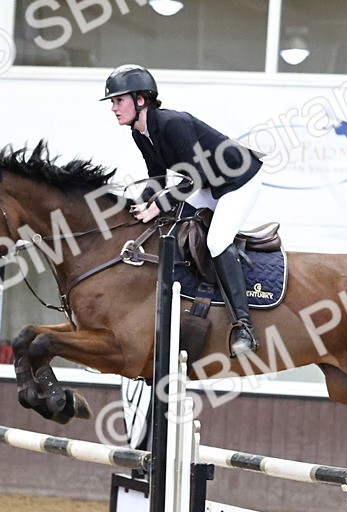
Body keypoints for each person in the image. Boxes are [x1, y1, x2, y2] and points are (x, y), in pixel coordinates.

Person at [101, 64, 264, 356]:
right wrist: (142, 204)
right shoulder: (140, 133)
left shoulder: (172, 123)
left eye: (119, 100)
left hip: (239, 180)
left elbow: (195, 177)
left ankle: (244, 327)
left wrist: (157, 205)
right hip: (209, 184)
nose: (113, 108)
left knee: (217, 241)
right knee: (168, 227)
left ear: (141, 100)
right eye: (112, 102)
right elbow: (157, 178)